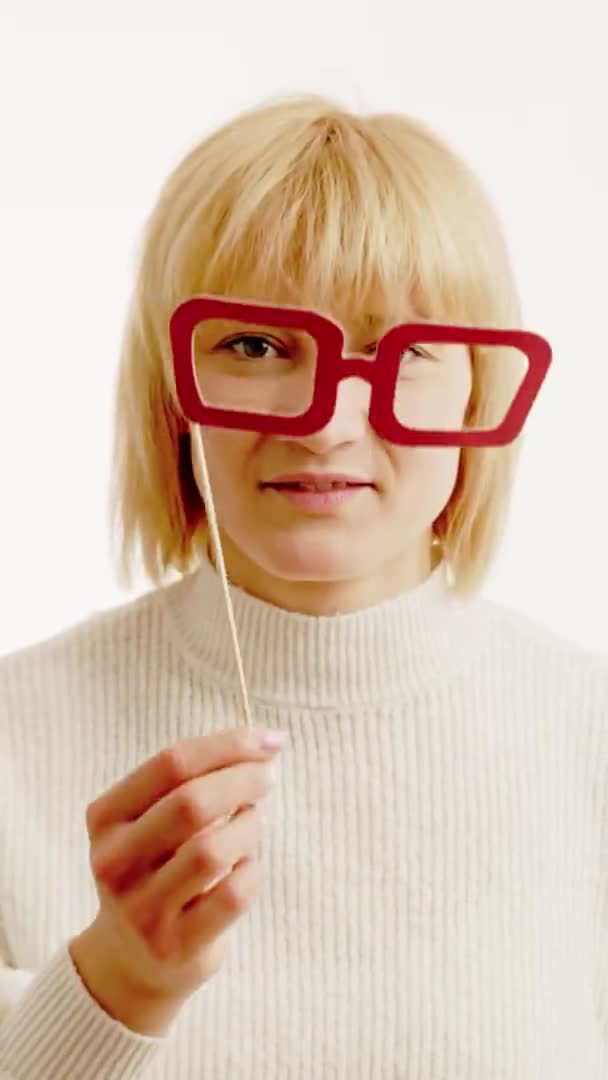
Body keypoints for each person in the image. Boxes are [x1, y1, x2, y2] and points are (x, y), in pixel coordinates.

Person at [0, 93, 606, 1080]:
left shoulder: (590, 746)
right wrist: (118, 983)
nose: (323, 425)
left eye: (402, 352)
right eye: (255, 345)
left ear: (481, 391)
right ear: (171, 392)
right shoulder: (11, 740)